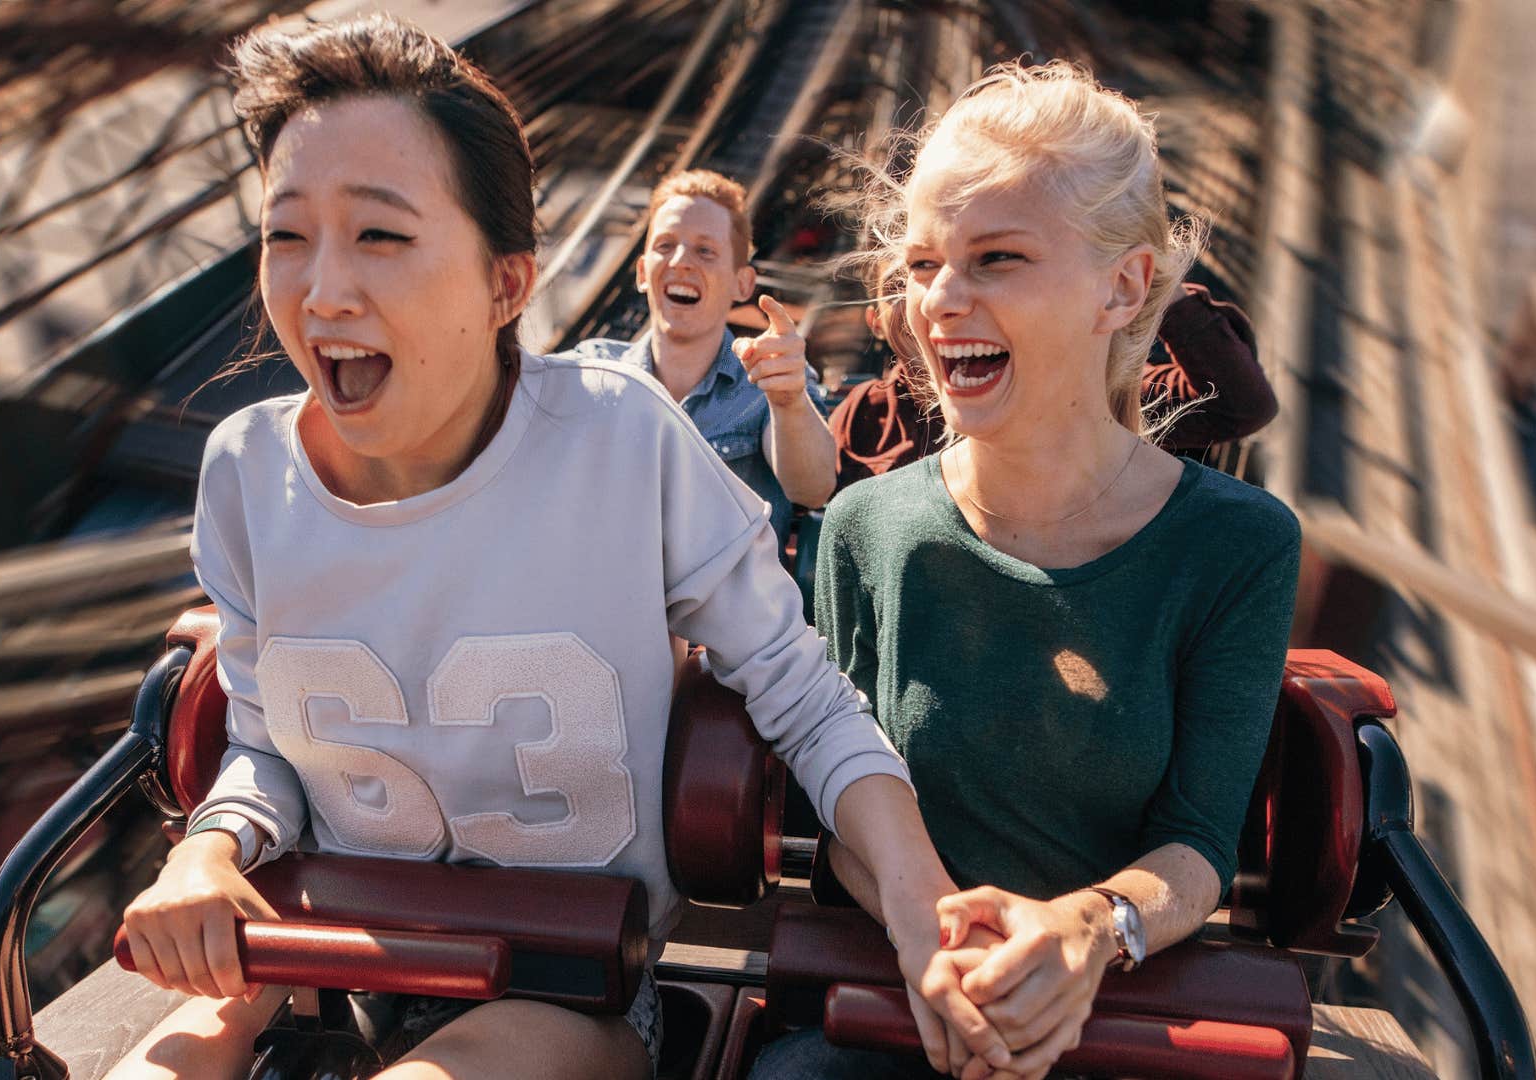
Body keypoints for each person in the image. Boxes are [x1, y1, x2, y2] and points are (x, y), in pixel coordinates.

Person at [104, 15, 1009, 1080]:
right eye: (286, 235)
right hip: (324, 952)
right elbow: (269, 750)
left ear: (507, 284)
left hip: (568, 983)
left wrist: (925, 916)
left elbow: (804, 701)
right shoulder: (245, 471)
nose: (321, 291)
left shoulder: (621, 441)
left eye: (380, 236)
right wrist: (209, 854)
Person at [752, 59, 1301, 1080]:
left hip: (1126, 1021)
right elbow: (840, 823)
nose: (940, 303)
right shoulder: (868, 527)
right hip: (900, 1006)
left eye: (997, 259)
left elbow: (1195, 846)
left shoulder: (1238, 545)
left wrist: (1085, 935)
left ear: (1125, 287)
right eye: (921, 265)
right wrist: (958, 956)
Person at [574, 170, 837, 541]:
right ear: (642, 272)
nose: (680, 260)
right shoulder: (593, 368)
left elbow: (813, 489)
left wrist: (789, 402)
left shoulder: (769, 378)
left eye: (705, 250)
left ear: (741, 283)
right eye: (665, 245)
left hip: (724, 598)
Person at [831, 277, 1275, 492]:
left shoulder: (1084, 397)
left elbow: (1236, 404)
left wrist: (1155, 281)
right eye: (910, 275)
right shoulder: (866, 413)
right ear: (875, 318)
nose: (937, 300)